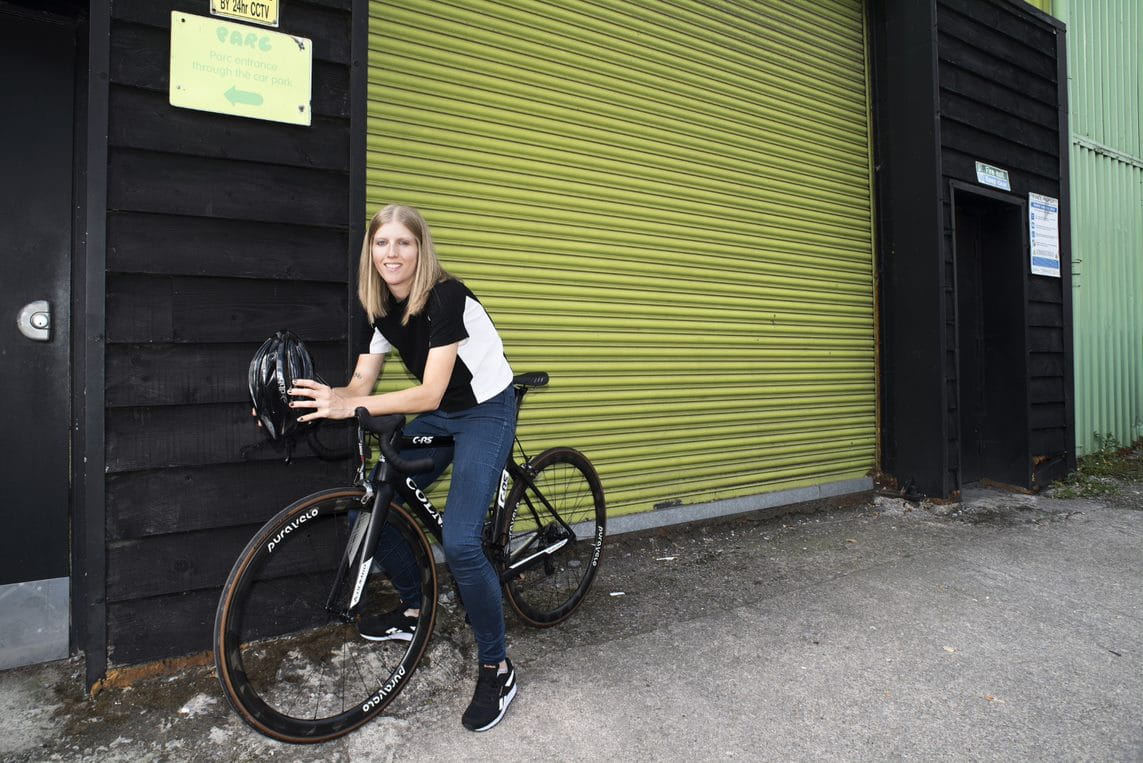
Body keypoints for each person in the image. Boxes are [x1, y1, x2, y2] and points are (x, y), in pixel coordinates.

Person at [288, 204, 518, 732]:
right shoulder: (383, 309)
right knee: (369, 508)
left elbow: (430, 390)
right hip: (441, 414)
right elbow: (359, 387)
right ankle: (416, 609)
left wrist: (356, 408)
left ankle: (497, 666)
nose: (392, 253)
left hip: (485, 410)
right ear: (370, 251)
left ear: (420, 249)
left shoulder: (445, 296)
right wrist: (325, 398)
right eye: (382, 243)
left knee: (461, 543)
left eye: (403, 243)